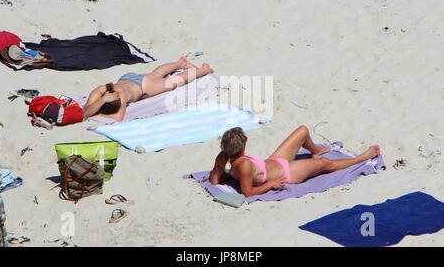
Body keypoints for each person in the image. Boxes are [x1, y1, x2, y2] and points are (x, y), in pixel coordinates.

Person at [209, 126, 380, 197]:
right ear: (241, 147)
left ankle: (316, 150)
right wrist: (270, 184)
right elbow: (248, 193)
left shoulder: (223, 156)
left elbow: (214, 180)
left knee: (303, 130)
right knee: (325, 164)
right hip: (288, 172)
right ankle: (362, 158)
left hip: (274, 161)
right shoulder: (244, 165)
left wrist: (225, 173)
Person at [83, 57, 214, 121]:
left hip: (143, 86)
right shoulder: (101, 89)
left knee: (173, 82)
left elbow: (118, 117)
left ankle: (203, 70)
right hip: (128, 78)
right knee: (156, 74)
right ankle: (180, 63)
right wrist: (103, 100)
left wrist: (98, 111)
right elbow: (86, 112)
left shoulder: (120, 95)